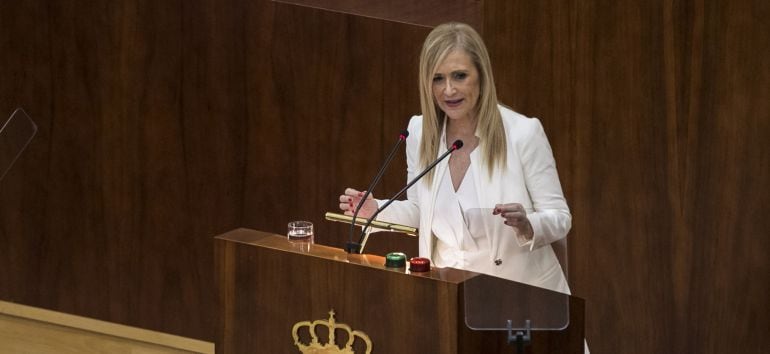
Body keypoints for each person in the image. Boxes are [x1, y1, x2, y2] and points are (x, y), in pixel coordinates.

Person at [337, 22, 571, 294]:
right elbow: (420, 211)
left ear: (481, 76)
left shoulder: (523, 133)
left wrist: (528, 225)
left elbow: (560, 218)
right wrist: (375, 209)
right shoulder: (418, 131)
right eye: (438, 78)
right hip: (450, 295)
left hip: (522, 298)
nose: (448, 90)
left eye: (459, 76)